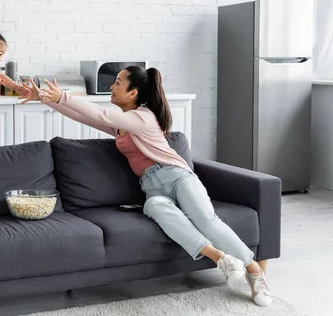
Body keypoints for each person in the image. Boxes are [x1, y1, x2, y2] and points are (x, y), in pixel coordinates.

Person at [19, 67, 272, 307]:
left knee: (206, 220)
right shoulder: (122, 124)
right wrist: (45, 99)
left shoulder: (143, 117)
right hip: (153, 188)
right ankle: (220, 258)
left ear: (133, 93)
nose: (112, 86)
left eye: (118, 83)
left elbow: (101, 114)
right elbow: (84, 116)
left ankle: (255, 272)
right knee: (154, 207)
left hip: (177, 176)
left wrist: (63, 95)